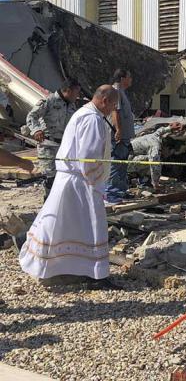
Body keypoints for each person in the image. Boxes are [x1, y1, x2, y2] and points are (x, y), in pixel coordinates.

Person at [19, 85, 119, 284]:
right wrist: (97, 182)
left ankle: (61, 268)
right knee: (88, 226)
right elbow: (88, 157)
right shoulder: (92, 119)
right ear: (104, 100)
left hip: (71, 179)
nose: (113, 110)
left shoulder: (83, 112)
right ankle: (93, 273)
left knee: (60, 224)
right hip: (81, 182)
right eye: (113, 105)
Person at [26, 78, 81, 196]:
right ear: (68, 90)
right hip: (48, 146)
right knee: (50, 179)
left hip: (63, 147)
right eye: (76, 92)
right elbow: (32, 116)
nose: (78, 95)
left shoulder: (72, 105)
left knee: (62, 178)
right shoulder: (49, 101)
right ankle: (48, 207)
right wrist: (36, 130)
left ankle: (59, 207)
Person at [106, 69, 135, 202]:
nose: (131, 80)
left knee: (122, 165)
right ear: (122, 78)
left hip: (124, 137)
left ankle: (121, 191)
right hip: (118, 137)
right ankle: (112, 193)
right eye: (129, 77)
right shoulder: (115, 92)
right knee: (116, 165)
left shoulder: (121, 92)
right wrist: (118, 130)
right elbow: (115, 112)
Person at [130, 122, 183, 189]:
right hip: (127, 163)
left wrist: (170, 128)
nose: (169, 154)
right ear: (167, 147)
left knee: (153, 160)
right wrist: (156, 184)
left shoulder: (155, 136)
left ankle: (142, 179)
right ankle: (144, 181)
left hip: (129, 156)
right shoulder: (155, 147)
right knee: (155, 161)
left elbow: (160, 130)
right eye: (169, 151)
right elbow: (155, 167)